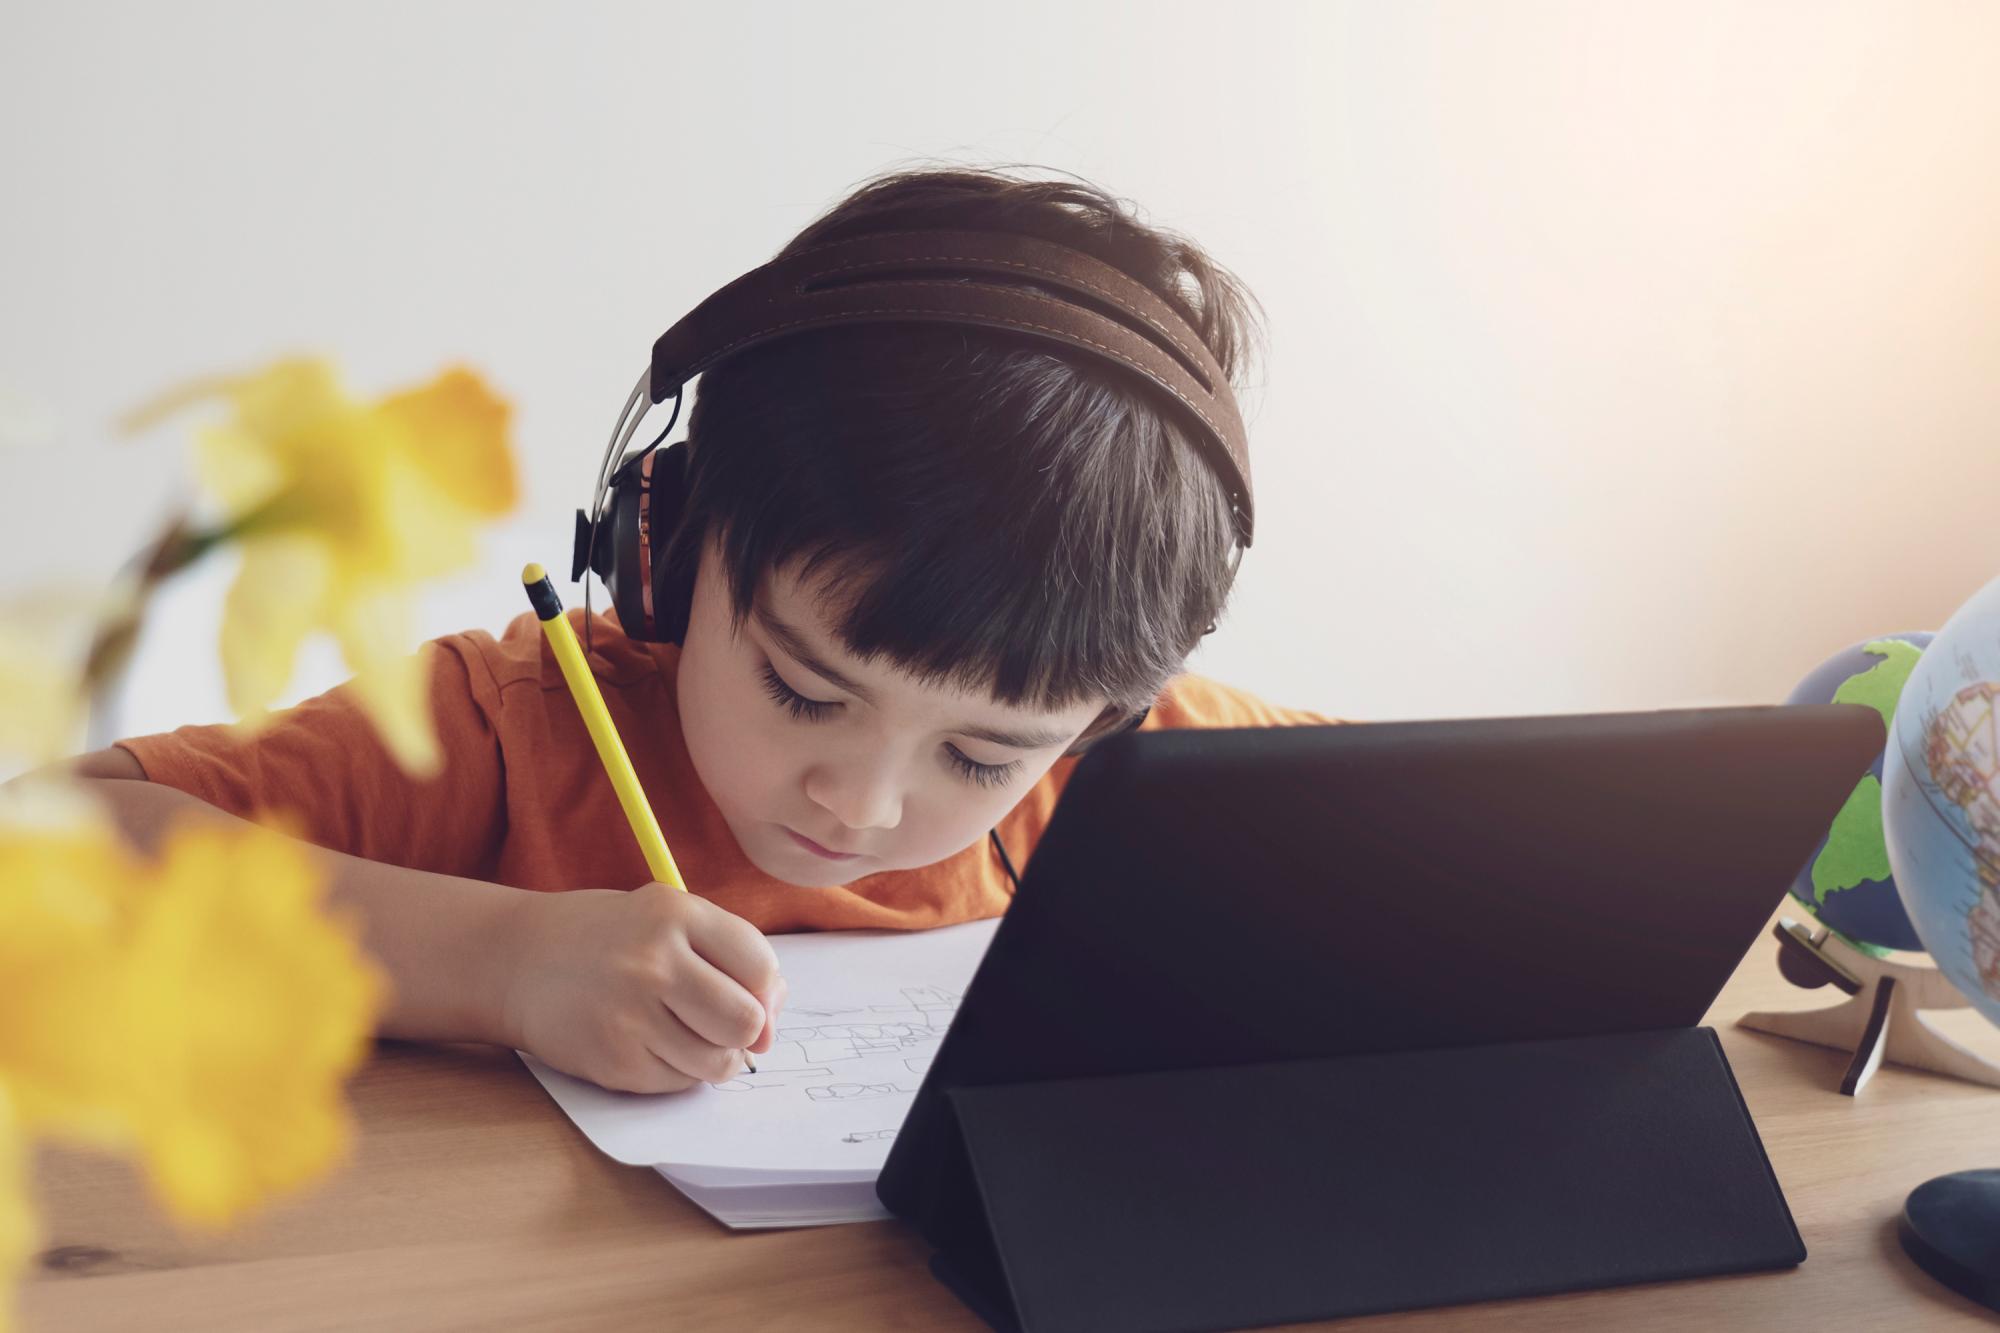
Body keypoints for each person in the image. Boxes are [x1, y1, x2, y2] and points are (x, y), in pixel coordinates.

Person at [57, 164, 1344, 1095]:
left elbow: (1474, 823)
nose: (861, 800)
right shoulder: (512, 732)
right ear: (658, 543)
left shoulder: (1136, 776)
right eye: (802, 688)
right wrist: (503, 964)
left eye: (981, 757)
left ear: (1101, 715)